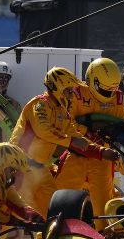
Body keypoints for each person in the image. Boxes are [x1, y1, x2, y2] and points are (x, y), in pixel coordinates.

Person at [57, 57, 124, 220]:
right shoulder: (75, 92)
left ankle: (104, 232)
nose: (109, 94)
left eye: (112, 90)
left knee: (103, 204)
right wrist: (88, 133)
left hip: (103, 158)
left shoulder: (118, 97)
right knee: (61, 199)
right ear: (92, 80)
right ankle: (58, 230)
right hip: (76, 154)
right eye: (105, 90)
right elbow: (66, 122)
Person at [9, 67, 89, 213]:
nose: (72, 95)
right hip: (20, 166)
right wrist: (71, 141)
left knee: (55, 210)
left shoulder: (62, 112)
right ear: (56, 88)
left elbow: (75, 135)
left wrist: (99, 149)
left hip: (40, 169)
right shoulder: (39, 104)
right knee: (19, 213)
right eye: (69, 91)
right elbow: (43, 130)